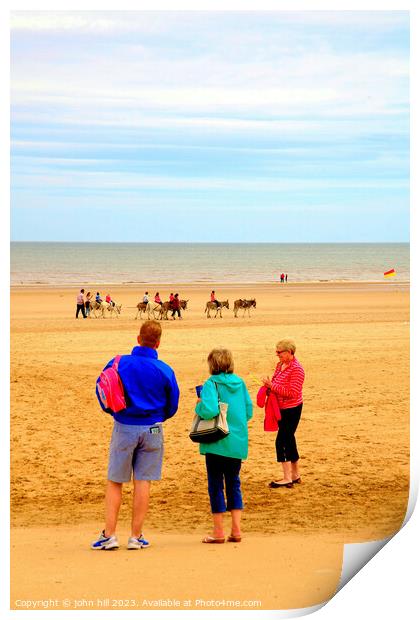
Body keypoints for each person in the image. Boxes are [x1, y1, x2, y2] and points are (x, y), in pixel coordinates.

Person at [91, 320, 180, 550]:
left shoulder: (119, 362)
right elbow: (172, 406)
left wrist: (113, 411)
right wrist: (156, 417)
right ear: (158, 343)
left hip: (124, 425)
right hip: (152, 427)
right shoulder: (164, 370)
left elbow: (102, 389)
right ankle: (135, 536)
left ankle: (109, 535)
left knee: (115, 481)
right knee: (143, 481)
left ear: (138, 339)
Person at [195, 347, 253, 543]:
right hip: (237, 442)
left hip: (217, 441)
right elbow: (249, 412)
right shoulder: (240, 382)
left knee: (216, 485)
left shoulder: (211, 383)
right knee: (234, 483)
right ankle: (236, 530)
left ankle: (218, 532)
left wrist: (199, 404)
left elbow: (209, 410)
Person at [262, 339, 305, 488]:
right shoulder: (280, 365)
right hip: (280, 409)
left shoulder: (297, 369)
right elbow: (276, 383)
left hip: (292, 409)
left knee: (282, 441)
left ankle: (287, 477)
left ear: (289, 352)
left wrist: (271, 386)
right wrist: (270, 386)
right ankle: (295, 474)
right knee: (289, 439)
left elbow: (292, 393)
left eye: (279, 352)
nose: (277, 354)